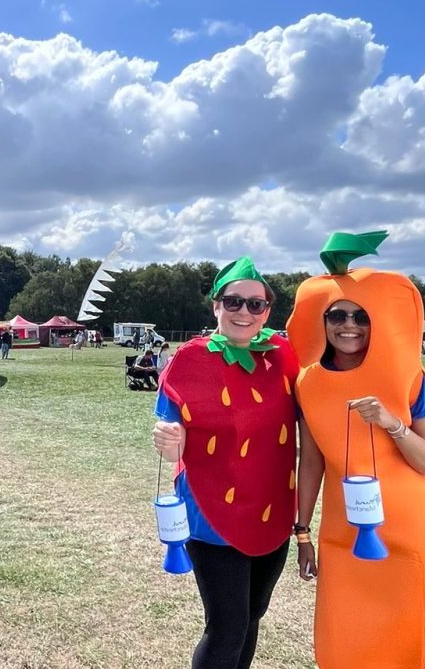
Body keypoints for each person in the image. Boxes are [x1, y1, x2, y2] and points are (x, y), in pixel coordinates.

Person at [284, 231, 425, 669]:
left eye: (361, 317)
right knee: (347, 636)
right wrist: (303, 532)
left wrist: (392, 424)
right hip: (343, 535)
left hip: (410, 531)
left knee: (413, 631)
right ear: (323, 322)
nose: (349, 325)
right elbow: (310, 462)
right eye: (338, 315)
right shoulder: (308, 383)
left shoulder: (412, 380)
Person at [150, 257, 298, 669]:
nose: (245, 313)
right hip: (212, 514)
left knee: (252, 617)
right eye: (233, 302)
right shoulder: (190, 360)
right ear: (215, 306)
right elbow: (168, 427)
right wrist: (167, 439)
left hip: (273, 509)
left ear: (268, 310)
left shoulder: (282, 356)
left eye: (256, 304)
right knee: (227, 627)